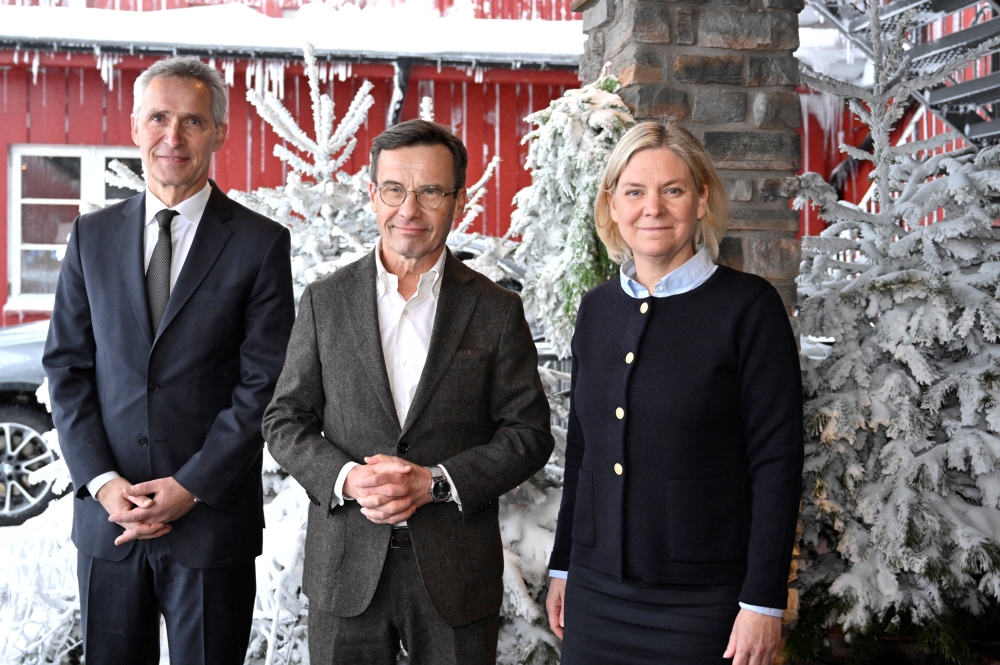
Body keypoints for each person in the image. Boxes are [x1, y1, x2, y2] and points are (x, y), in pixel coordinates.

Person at [263, 119, 554, 665]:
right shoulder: (326, 302)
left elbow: (529, 435)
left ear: (458, 200)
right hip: (346, 571)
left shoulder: (495, 310)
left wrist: (436, 484)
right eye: (394, 189)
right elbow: (285, 420)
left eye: (430, 191)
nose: (409, 210)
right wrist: (347, 478)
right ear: (373, 194)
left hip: (455, 575)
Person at [42, 57, 295, 663]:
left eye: (192, 121)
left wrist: (189, 487)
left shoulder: (260, 245)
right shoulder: (90, 236)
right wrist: (103, 485)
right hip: (110, 524)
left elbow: (264, 384)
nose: (173, 137)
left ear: (220, 132)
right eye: (158, 118)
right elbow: (68, 370)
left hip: (210, 526)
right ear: (135, 127)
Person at [545, 119, 803, 665]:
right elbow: (583, 451)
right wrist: (564, 565)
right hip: (596, 593)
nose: (652, 208)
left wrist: (763, 600)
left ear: (702, 199)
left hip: (706, 603)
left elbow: (777, 463)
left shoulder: (748, 309)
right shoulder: (597, 310)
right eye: (634, 192)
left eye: (673, 190)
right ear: (612, 205)